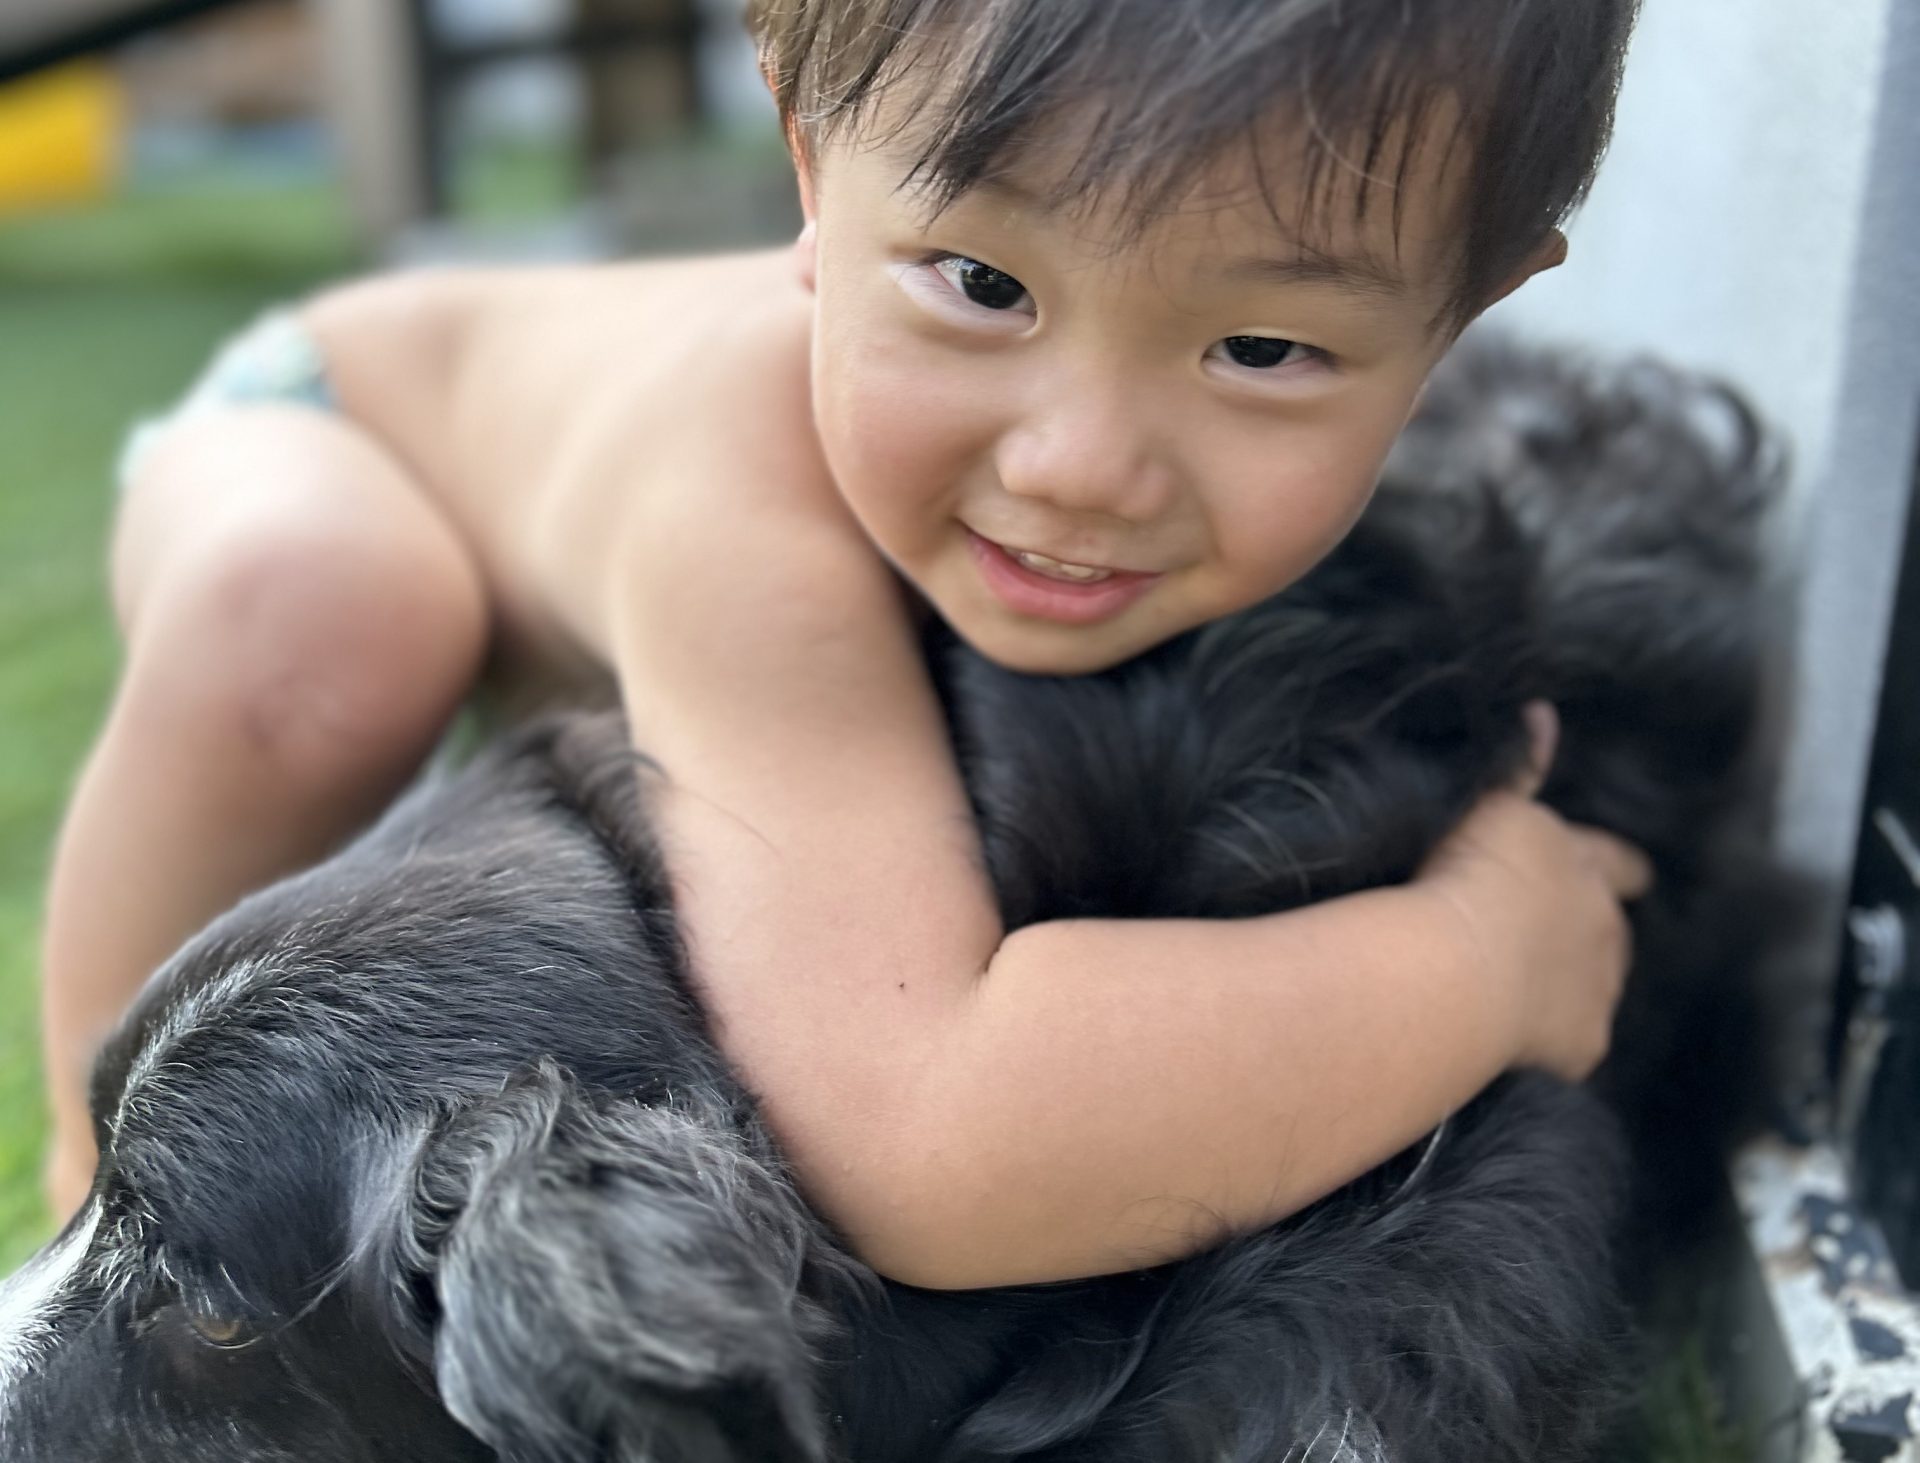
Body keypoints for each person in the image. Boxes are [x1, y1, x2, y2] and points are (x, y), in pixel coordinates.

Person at [40, 0, 1652, 1287]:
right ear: (811, 169)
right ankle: (98, 1177)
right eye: (983, 282)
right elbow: (927, 1141)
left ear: (1469, 304)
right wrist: (1480, 960)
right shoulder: (743, 504)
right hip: (340, 431)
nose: (1079, 464)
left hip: (587, 545)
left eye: (1263, 347)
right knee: (321, 623)